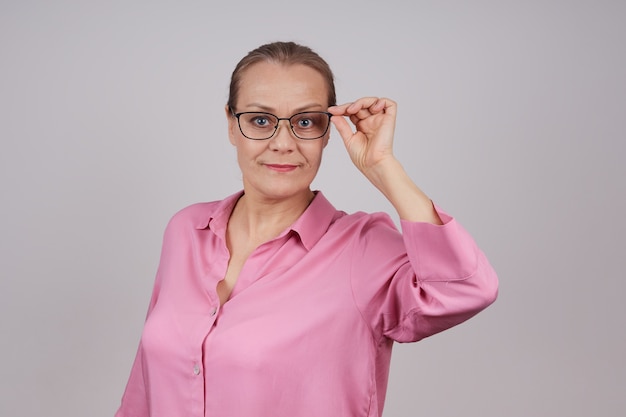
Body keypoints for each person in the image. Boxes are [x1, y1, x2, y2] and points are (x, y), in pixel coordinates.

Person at [114, 41, 498, 417]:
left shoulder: (362, 250)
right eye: (260, 120)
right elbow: (143, 394)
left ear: (328, 132)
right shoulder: (186, 230)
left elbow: (466, 289)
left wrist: (382, 166)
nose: (283, 143)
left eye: (305, 122)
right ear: (232, 125)